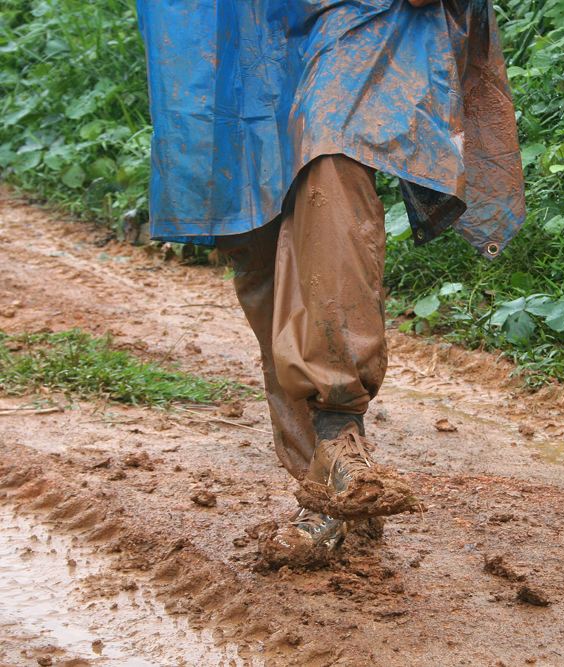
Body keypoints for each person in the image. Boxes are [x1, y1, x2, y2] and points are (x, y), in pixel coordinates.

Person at [135, 0, 525, 560]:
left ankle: (339, 428)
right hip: (239, 17)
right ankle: (324, 490)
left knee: (331, 155)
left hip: (365, 10)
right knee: (257, 228)